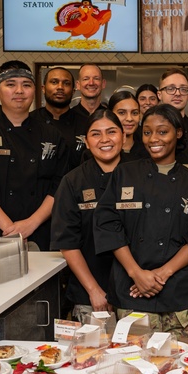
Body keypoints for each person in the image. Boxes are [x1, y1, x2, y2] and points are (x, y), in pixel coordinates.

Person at [93, 104, 188, 343]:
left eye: (162, 131)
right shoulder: (124, 174)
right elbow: (107, 224)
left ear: (178, 133)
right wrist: (137, 273)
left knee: (182, 370)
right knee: (133, 371)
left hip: (180, 294)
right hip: (132, 290)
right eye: (147, 132)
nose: (153, 139)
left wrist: (161, 274)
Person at [0, 60, 69, 250]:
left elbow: (60, 187)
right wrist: (11, 230)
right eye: (10, 84)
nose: (19, 91)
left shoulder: (51, 135)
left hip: (39, 233)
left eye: (26, 85)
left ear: (34, 90)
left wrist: (31, 224)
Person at [50, 107, 127, 314]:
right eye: (96, 134)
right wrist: (94, 290)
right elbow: (67, 243)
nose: (104, 139)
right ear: (86, 141)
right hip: (90, 294)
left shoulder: (142, 174)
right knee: (93, 348)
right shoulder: (73, 182)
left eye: (111, 131)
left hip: (136, 292)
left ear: (124, 136)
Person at [62, 63, 104, 135]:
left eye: (96, 78)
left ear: (103, 84)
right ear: (78, 85)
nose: (91, 83)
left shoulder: (111, 117)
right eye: (86, 79)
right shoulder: (65, 118)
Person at [106, 88, 146, 159]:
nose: (129, 119)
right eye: (122, 113)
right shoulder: (102, 149)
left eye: (134, 113)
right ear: (110, 115)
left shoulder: (147, 148)